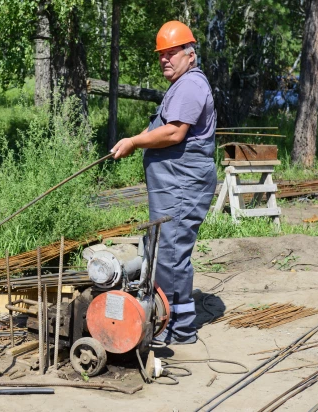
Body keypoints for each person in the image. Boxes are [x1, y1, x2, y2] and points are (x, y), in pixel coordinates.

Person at [111, 21, 217, 344]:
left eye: (172, 53)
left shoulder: (191, 86)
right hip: (173, 184)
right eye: (161, 55)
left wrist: (134, 141)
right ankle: (164, 319)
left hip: (183, 184)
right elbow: (162, 128)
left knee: (170, 253)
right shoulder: (180, 85)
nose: (165, 60)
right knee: (160, 249)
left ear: (190, 54)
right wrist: (133, 142)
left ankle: (178, 329)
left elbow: (174, 132)